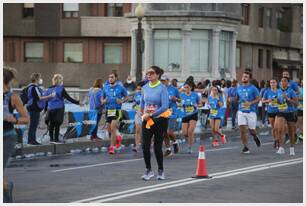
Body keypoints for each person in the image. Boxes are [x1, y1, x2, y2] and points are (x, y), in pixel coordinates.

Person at [3, 67, 29, 202]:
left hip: (7, 137)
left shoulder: (13, 97)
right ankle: (6, 187)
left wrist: (15, 119)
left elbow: (26, 118)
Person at [140, 66, 169, 181]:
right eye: (148, 73)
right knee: (145, 146)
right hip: (147, 120)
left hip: (160, 120)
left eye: (151, 73)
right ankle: (148, 170)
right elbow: (142, 103)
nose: (149, 75)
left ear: (157, 75)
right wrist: (142, 113)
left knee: (157, 146)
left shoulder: (162, 88)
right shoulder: (145, 87)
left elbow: (165, 106)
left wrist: (151, 114)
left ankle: (161, 170)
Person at [44, 74, 83, 143]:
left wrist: (45, 109)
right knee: (57, 124)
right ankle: (56, 139)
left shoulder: (49, 89)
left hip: (50, 108)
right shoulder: (61, 88)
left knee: (51, 124)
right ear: (60, 80)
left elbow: (46, 100)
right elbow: (69, 98)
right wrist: (78, 102)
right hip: (59, 108)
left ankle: (51, 139)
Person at [102, 71, 128, 154]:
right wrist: (104, 101)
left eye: (112, 77)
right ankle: (118, 136)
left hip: (117, 110)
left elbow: (127, 96)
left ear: (116, 78)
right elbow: (102, 99)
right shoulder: (105, 87)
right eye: (109, 77)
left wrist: (122, 101)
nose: (110, 79)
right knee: (109, 129)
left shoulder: (120, 87)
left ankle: (111, 147)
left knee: (113, 128)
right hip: (108, 110)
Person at [236, 71, 261, 154]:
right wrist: (232, 100)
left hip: (251, 112)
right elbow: (237, 98)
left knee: (251, 130)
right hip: (241, 111)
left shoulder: (253, 88)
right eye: (243, 76)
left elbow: (258, 98)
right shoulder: (239, 88)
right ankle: (246, 147)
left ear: (249, 78)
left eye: (246, 76)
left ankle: (255, 136)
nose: (244, 78)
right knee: (242, 130)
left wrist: (250, 103)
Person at [26, 73, 54, 145]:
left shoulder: (30, 87)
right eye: (39, 78)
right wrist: (49, 96)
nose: (40, 80)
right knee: (34, 125)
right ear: (36, 79)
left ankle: (31, 140)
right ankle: (32, 140)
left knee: (32, 125)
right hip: (34, 108)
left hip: (32, 108)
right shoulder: (34, 87)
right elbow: (39, 98)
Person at [274, 77, 298, 155]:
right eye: (281, 81)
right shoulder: (278, 91)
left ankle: (292, 148)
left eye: (285, 81)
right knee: (280, 129)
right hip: (281, 112)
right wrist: (276, 101)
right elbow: (278, 101)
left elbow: (296, 103)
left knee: (291, 132)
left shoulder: (291, 91)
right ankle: (281, 148)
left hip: (290, 112)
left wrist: (287, 99)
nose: (283, 82)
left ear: (288, 83)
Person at [161, 75, 180, 156]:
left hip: (172, 112)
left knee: (169, 132)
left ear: (168, 80)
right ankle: (168, 149)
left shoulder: (174, 89)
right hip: (163, 112)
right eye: (161, 80)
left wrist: (176, 99)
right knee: (164, 132)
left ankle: (175, 142)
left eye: (164, 80)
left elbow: (180, 100)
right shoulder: (159, 89)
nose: (162, 82)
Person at [180, 81, 202, 154]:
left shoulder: (195, 95)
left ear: (191, 87)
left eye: (188, 87)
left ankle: (190, 147)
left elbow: (200, 104)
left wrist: (197, 105)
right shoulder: (182, 95)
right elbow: (179, 103)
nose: (186, 89)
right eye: (185, 87)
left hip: (193, 114)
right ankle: (190, 138)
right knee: (184, 133)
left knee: (190, 131)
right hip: (185, 115)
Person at [262, 79, 279, 148]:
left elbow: (284, 100)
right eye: (271, 83)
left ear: (276, 83)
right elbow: (262, 101)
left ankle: (278, 140)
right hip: (270, 111)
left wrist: (279, 100)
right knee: (273, 128)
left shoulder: (279, 91)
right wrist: (268, 101)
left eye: (274, 82)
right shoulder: (267, 92)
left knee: (277, 127)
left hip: (278, 111)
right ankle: (275, 140)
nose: (272, 84)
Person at [132, 82, 145, 153]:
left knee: (147, 131)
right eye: (137, 89)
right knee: (137, 130)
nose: (138, 90)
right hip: (138, 114)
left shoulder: (148, 95)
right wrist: (137, 110)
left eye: (140, 89)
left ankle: (150, 144)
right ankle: (137, 146)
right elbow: (134, 105)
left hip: (146, 115)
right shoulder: (136, 95)